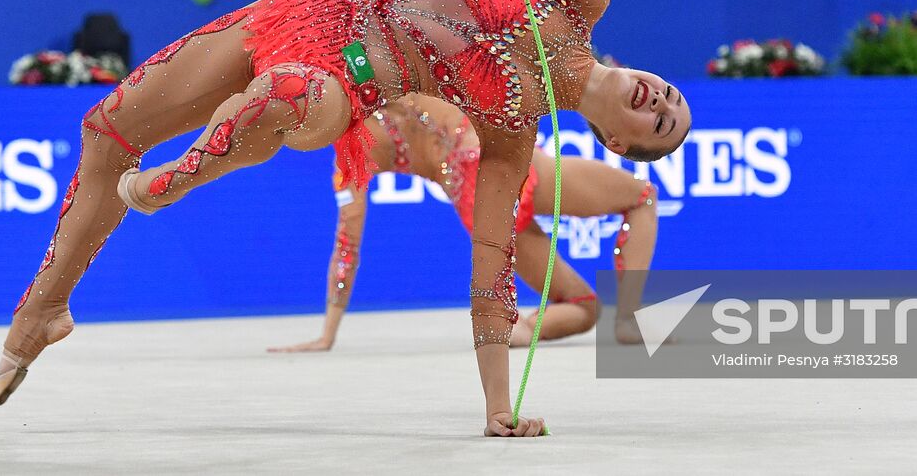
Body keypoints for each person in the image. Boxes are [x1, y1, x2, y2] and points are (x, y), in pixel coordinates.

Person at [0, 0, 691, 438]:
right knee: (106, 128)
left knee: (285, 94)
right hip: (308, 7)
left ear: (618, 143)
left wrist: (499, 409)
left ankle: (185, 177)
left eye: (661, 123)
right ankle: (44, 309)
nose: (659, 101)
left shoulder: (510, 138)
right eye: (669, 94)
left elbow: (491, 272)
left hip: (338, 87)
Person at [269, 95, 659, 354]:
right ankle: (627, 316)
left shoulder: (348, 155)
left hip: (477, 202)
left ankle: (512, 331)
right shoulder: (386, 73)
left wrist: (328, 334)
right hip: (499, 159)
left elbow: (347, 243)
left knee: (583, 307)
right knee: (641, 197)